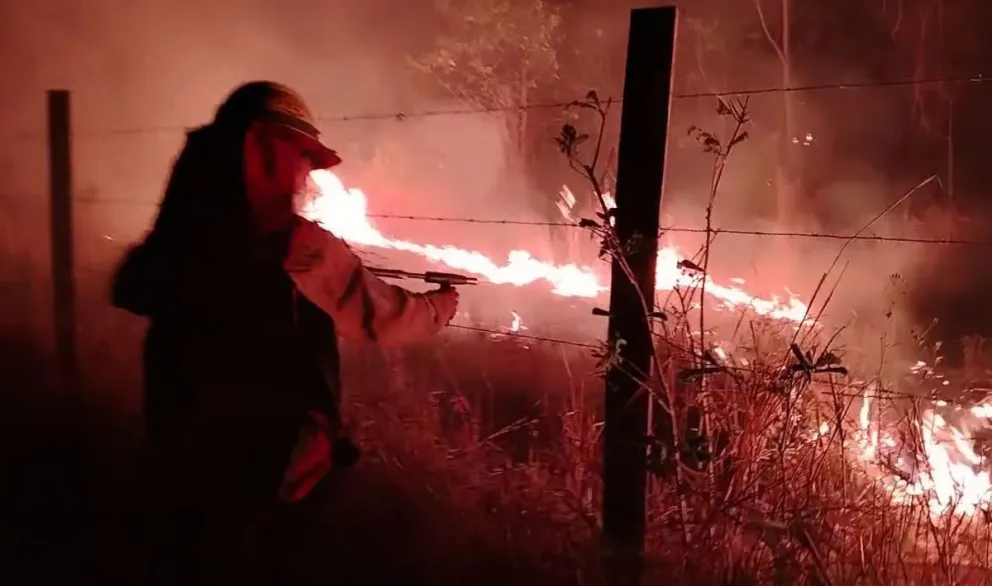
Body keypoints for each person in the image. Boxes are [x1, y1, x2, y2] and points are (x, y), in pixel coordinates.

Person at [110, 81, 459, 585]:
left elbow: (133, 287)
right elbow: (381, 315)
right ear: (270, 160)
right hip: (271, 464)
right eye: (299, 159)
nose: (304, 176)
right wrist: (439, 307)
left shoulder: (179, 239)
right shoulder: (296, 246)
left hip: (180, 441)